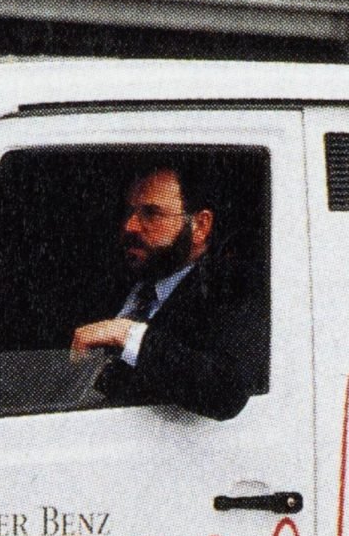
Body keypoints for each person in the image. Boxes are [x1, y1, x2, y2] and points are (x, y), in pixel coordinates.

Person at [69, 162, 265, 420]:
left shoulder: (229, 290)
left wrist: (127, 335)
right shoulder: (114, 281)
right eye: (129, 211)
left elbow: (226, 390)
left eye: (151, 213)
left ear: (200, 225)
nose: (130, 226)